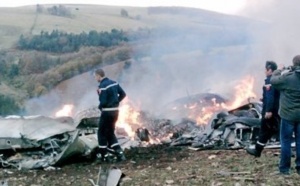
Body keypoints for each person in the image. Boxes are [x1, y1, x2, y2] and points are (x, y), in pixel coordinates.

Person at [270, 55, 300, 175]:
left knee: (286, 142)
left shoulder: (287, 78)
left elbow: (273, 81)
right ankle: (299, 167)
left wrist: (280, 70)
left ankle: (284, 169)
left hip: (287, 115)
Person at [246, 61, 280, 157]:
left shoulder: (270, 81)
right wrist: (263, 98)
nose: (264, 72)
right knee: (270, 130)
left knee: (265, 129)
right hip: (277, 109)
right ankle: (258, 149)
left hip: (271, 110)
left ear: (269, 70)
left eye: (265, 69)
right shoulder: (277, 79)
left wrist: (268, 110)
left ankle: (257, 150)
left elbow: (271, 97)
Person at [94, 68, 126, 162]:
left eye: (95, 77)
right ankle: (119, 153)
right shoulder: (114, 82)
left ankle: (104, 155)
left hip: (107, 112)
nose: (95, 78)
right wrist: (116, 102)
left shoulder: (102, 86)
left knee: (101, 132)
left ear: (98, 76)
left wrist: (100, 107)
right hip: (115, 112)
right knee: (110, 132)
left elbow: (103, 101)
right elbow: (123, 94)